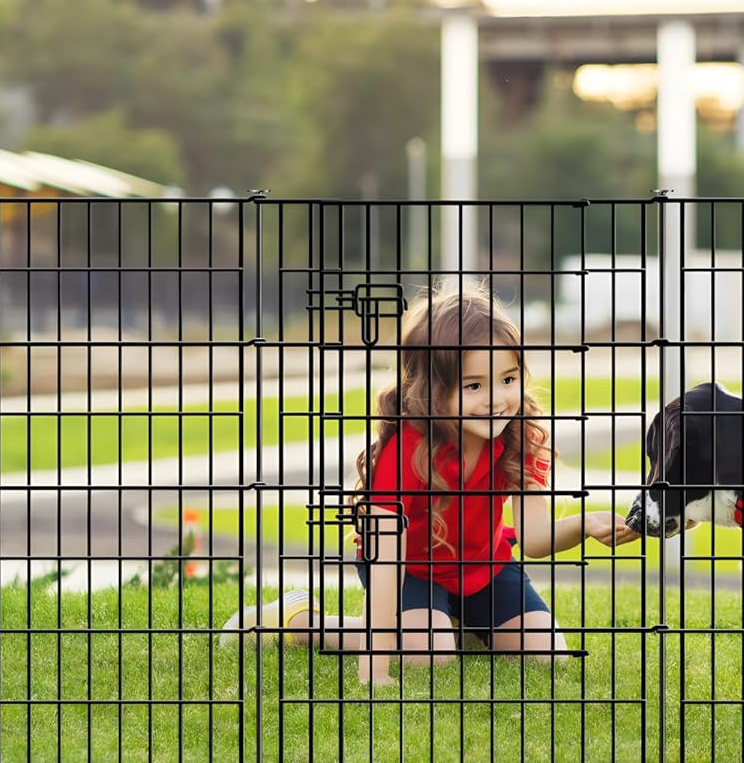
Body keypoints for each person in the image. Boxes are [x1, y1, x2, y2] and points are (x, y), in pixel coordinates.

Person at [220, 281, 636, 684]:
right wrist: (374, 674)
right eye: (474, 386)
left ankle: (453, 621)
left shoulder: (519, 435)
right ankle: (299, 621)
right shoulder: (408, 451)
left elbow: (534, 538)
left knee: (547, 656)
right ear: (432, 391)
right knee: (428, 658)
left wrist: (585, 524)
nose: (496, 399)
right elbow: (386, 565)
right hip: (410, 571)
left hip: (484, 568)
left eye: (508, 380)